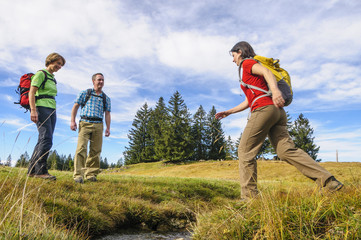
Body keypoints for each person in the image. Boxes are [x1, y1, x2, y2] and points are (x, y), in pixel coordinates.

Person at [215, 41, 343, 200]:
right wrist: (230, 111)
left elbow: (267, 73)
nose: (232, 60)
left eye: (232, 55)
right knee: (285, 151)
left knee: (245, 151)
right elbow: (251, 99)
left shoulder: (247, 63)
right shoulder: (248, 71)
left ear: (240, 52)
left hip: (264, 110)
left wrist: (275, 92)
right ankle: (329, 182)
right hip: (277, 112)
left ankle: (249, 198)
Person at [28, 53, 66, 180]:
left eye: (61, 65)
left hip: (51, 109)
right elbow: (32, 92)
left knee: (43, 139)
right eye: (58, 63)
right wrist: (33, 110)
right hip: (41, 108)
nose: (59, 66)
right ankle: (41, 171)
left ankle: (32, 171)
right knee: (46, 138)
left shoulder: (52, 78)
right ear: (50, 61)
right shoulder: (41, 74)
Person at [70, 73, 111, 183]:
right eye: (99, 80)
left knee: (96, 151)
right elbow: (76, 106)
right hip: (85, 123)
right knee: (81, 148)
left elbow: (107, 114)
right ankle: (78, 175)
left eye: (102, 80)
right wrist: (72, 121)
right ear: (93, 81)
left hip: (98, 125)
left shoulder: (106, 98)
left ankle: (91, 174)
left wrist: (108, 128)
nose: (101, 82)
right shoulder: (85, 93)